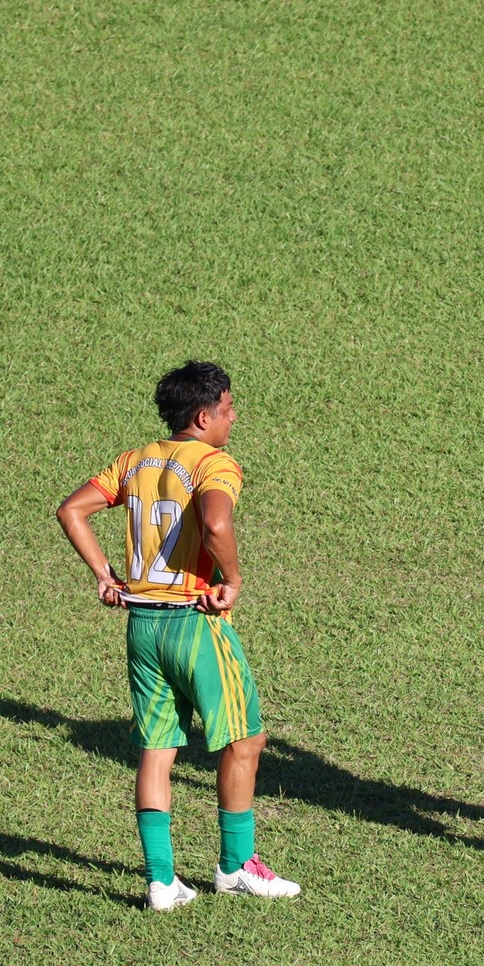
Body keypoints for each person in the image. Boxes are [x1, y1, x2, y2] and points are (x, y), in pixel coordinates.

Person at [55, 360, 301, 911]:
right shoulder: (215, 464)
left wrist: (105, 576)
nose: (233, 418)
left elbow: (71, 511)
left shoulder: (135, 460)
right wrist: (232, 580)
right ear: (203, 416)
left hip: (143, 627)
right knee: (245, 741)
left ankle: (161, 882)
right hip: (195, 623)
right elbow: (215, 524)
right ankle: (237, 866)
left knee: (157, 749)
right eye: (228, 408)